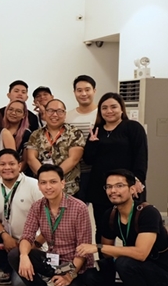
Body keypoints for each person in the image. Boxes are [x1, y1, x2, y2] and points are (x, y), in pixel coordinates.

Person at [79, 170, 168, 286]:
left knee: (124, 263)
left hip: (161, 274)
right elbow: (107, 253)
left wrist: (98, 247)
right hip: (136, 267)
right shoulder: (110, 215)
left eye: (119, 186)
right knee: (90, 275)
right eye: (109, 187)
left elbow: (141, 253)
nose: (113, 191)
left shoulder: (148, 213)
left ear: (132, 189)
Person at [9, 164, 92, 286]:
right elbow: (27, 236)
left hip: (72, 264)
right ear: (38, 185)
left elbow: (84, 250)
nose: (48, 187)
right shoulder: (37, 206)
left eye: (53, 182)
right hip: (52, 260)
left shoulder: (79, 208)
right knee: (16, 254)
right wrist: (24, 256)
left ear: (62, 183)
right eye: (43, 183)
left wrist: (69, 275)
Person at [84, 93, 148, 237]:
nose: (109, 111)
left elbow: (141, 156)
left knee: (133, 227)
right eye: (104, 108)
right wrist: (92, 144)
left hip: (127, 186)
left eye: (113, 107)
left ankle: (133, 252)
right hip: (101, 188)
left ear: (121, 109)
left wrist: (138, 179)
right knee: (103, 228)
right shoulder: (96, 130)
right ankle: (104, 252)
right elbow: (88, 160)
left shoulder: (133, 127)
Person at [0, 149, 43, 286]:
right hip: (9, 240)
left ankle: (40, 270)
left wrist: (33, 245)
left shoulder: (34, 185)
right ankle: (9, 268)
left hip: (33, 244)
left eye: (11, 164)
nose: (7, 168)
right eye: (2, 164)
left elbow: (48, 222)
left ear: (19, 165)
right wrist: (5, 236)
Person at [25, 99, 85, 196]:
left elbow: (74, 159)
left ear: (65, 114)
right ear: (45, 113)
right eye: (50, 111)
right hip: (42, 189)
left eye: (59, 111)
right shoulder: (36, 134)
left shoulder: (74, 133)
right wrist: (45, 178)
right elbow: (31, 159)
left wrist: (54, 176)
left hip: (68, 188)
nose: (55, 115)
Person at [65, 75, 98, 203]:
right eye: (79, 90)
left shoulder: (101, 115)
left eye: (87, 89)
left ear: (94, 91)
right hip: (73, 172)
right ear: (74, 92)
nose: (83, 94)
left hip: (94, 171)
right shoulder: (68, 116)